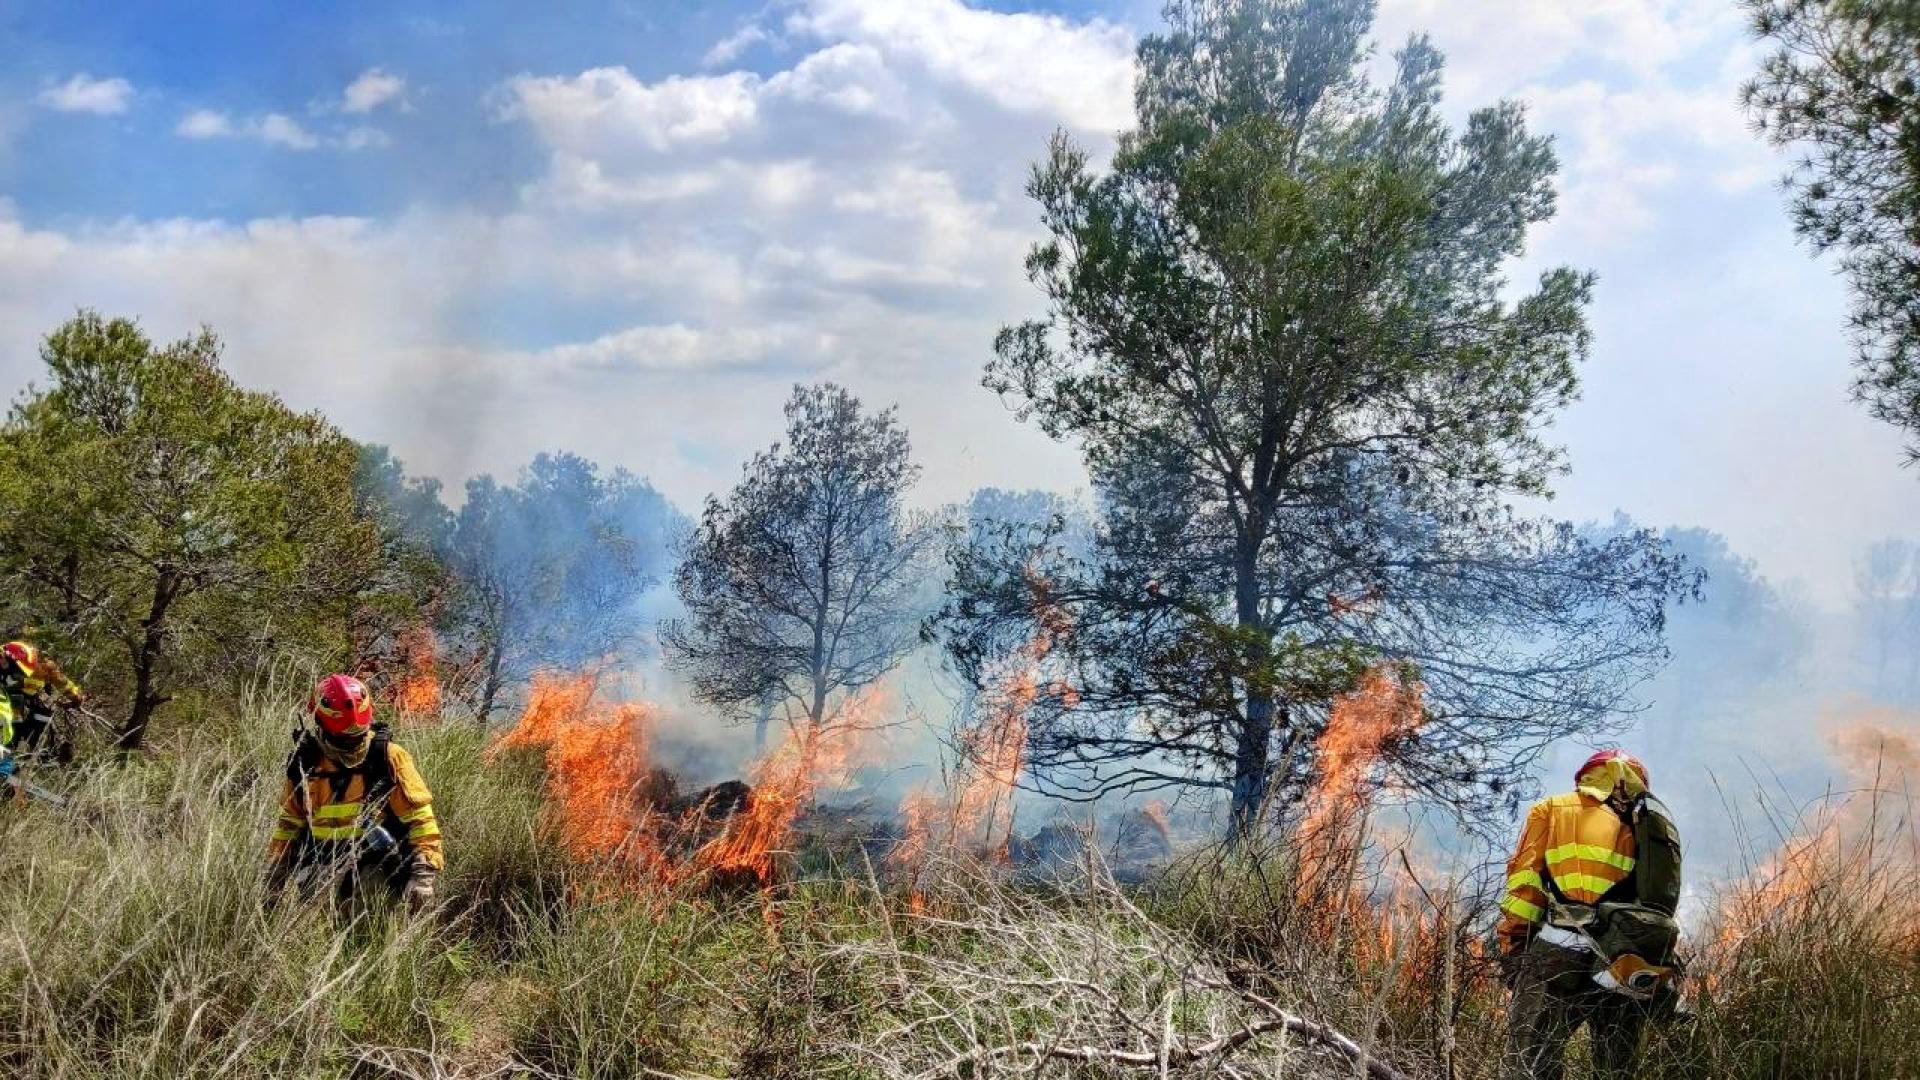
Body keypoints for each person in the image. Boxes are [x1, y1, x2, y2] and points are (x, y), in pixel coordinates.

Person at [1497, 750, 1681, 1080]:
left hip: (1557, 949)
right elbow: (1657, 903)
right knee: (1614, 1068)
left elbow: (1525, 887)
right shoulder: (1647, 825)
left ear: (1587, 777)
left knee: (1529, 1061)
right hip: (1623, 959)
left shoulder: (1552, 810)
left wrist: (1514, 946)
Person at [266, 674, 442, 912]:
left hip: (373, 873)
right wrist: (276, 872)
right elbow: (289, 822)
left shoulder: (388, 757)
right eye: (343, 739)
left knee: (369, 932)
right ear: (320, 723)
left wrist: (423, 877)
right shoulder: (305, 763)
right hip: (318, 874)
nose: (352, 745)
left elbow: (421, 820)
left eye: (358, 737)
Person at [0, 640, 83, 757]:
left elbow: (62, 682)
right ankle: (9, 752)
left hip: (37, 702)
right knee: (11, 733)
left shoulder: (42, 666)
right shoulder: (3, 657)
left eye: (21, 671)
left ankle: (46, 756)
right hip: (10, 703)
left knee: (41, 729)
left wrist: (75, 696)